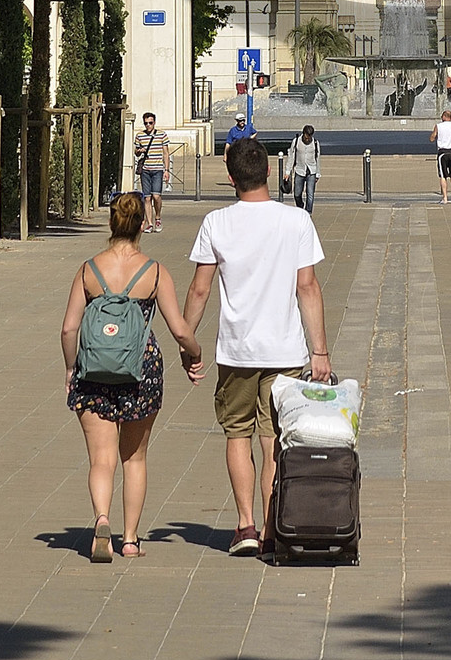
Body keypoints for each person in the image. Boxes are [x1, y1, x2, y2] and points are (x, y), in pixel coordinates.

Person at [182, 134, 332, 559]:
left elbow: (199, 290)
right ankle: (270, 530)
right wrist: (320, 351)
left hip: (236, 352)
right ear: (269, 171)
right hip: (285, 350)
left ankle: (245, 524)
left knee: (237, 434)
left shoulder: (216, 223)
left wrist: (188, 342)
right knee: (273, 441)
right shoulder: (296, 221)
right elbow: (308, 287)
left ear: (231, 178)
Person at [60, 190, 203, 563]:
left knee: (101, 459)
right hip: (141, 369)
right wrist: (195, 353)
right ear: (142, 225)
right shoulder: (154, 272)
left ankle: (101, 519)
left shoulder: (88, 270)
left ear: (111, 223)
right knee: (134, 459)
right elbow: (179, 329)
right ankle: (129, 540)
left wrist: (71, 368)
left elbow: (69, 328)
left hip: (93, 369)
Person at [133, 111, 171, 232]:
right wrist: (139, 151)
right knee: (147, 198)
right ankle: (149, 223)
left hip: (158, 169)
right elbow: (136, 152)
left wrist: (166, 170)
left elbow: (166, 153)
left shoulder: (161, 135)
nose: (148, 125)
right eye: (146, 123)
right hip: (145, 169)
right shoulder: (140, 135)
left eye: (150, 123)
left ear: (154, 122)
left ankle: (158, 217)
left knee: (156, 196)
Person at [431, 109, 451, 201]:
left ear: (444, 117)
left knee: (443, 175)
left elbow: (432, 138)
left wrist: (434, 134)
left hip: (443, 152)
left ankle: (445, 198)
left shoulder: (438, 126)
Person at [289, 124, 321, 214]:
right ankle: (300, 206)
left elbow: (317, 158)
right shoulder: (296, 141)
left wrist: (318, 173)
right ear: (303, 134)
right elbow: (291, 156)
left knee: (310, 194)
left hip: (311, 171)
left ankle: (308, 212)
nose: (307, 139)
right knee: (297, 194)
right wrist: (288, 171)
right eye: (306, 137)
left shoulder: (315, 143)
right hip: (299, 170)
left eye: (309, 137)